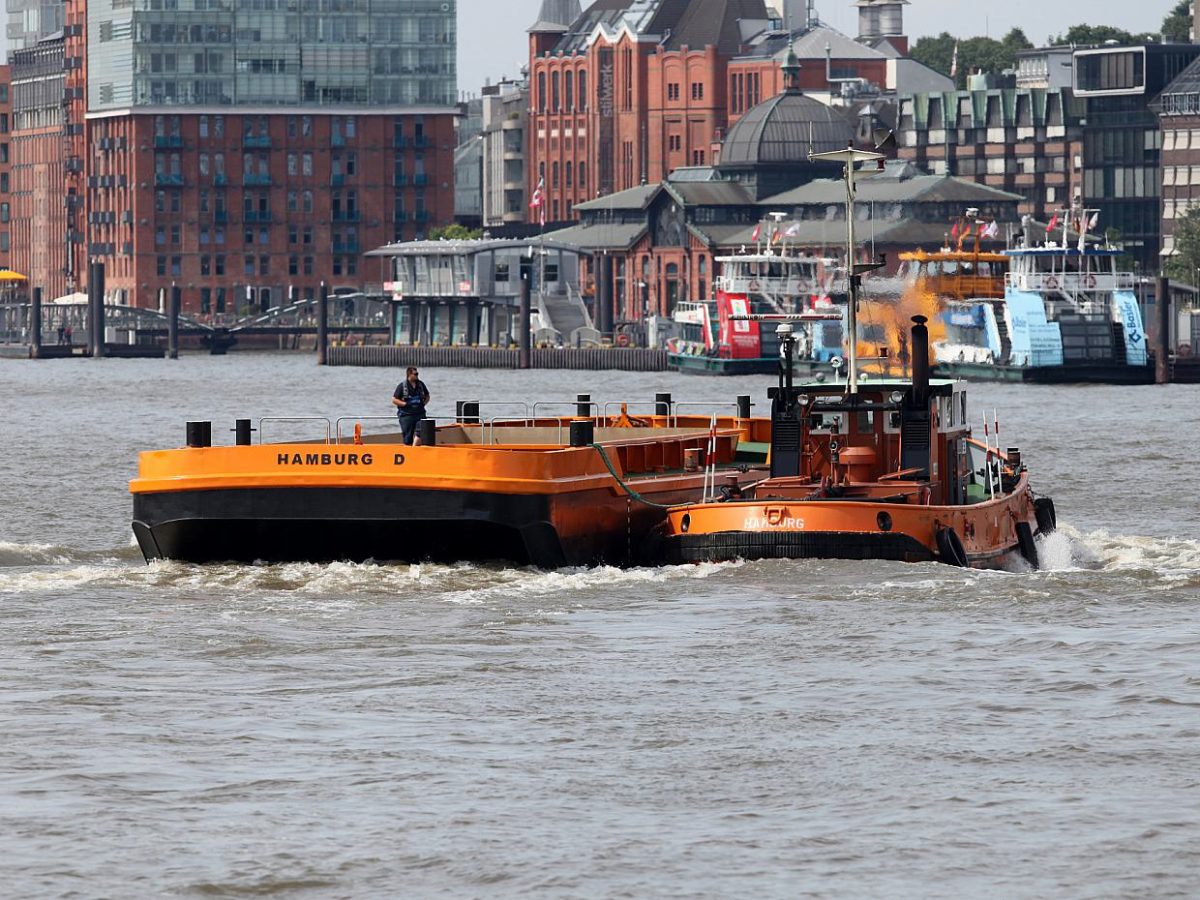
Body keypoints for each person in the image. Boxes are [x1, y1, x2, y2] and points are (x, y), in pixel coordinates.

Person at [392, 366, 430, 446]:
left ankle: (414, 449)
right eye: (415, 374)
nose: (417, 376)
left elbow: (427, 395)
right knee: (407, 437)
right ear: (409, 374)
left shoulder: (421, 384)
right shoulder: (402, 386)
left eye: (417, 374)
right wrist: (405, 404)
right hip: (406, 415)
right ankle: (409, 451)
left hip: (420, 414)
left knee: (421, 432)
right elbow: (394, 399)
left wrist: (423, 403)